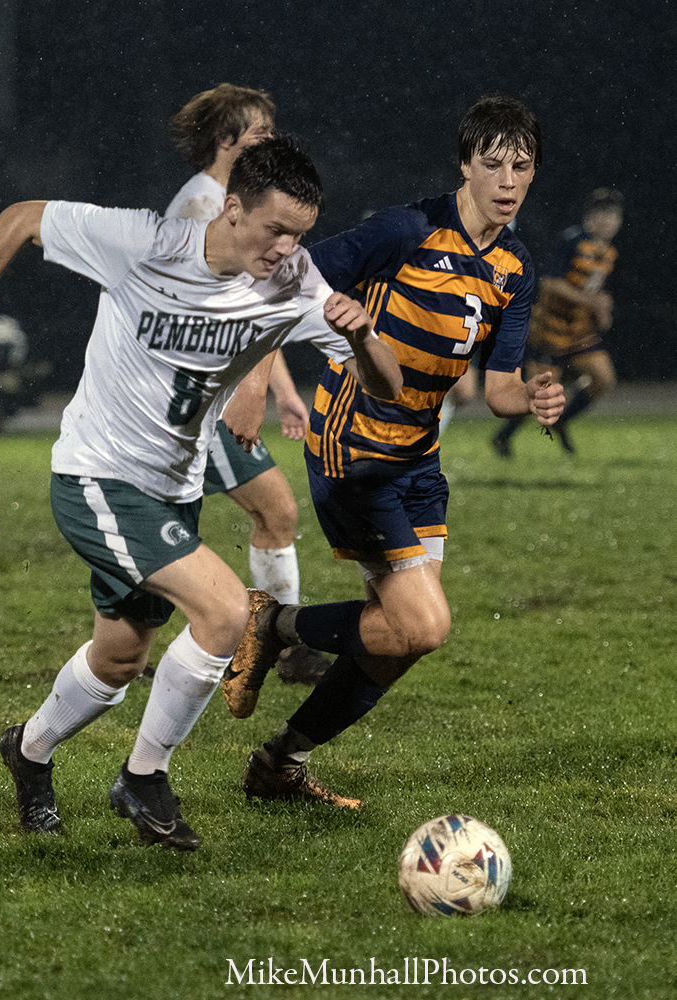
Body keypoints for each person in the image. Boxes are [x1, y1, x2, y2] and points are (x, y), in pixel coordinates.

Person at [0, 136, 404, 849]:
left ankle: (29, 750)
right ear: (232, 208)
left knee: (118, 658)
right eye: (275, 229)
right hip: (97, 476)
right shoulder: (145, 242)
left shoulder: (295, 280)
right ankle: (143, 778)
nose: (288, 248)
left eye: (300, 234)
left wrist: (362, 338)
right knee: (225, 612)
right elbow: (20, 217)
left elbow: (386, 387)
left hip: (173, 490)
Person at [225, 96, 566, 810]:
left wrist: (532, 396)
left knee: (403, 639)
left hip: (418, 456)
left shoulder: (514, 266)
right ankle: (273, 624)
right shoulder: (405, 230)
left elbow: (498, 386)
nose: (508, 181)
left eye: (522, 166)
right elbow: (285, 281)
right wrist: (255, 382)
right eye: (493, 164)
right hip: (355, 447)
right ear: (465, 165)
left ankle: (280, 762)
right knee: (423, 626)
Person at [167, 83, 329, 686]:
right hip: (196, 401)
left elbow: (258, 315)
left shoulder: (237, 203)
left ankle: (271, 645)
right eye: (260, 132)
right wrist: (248, 389)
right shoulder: (203, 206)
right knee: (270, 511)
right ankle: (270, 646)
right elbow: (224, 317)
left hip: (213, 393)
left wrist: (279, 391)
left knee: (265, 514)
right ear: (225, 139)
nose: (270, 140)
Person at [492, 187, 623, 456]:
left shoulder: (609, 251)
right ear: (590, 217)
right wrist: (591, 302)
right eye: (603, 214)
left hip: (579, 330)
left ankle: (564, 420)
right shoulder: (572, 241)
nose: (608, 221)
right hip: (550, 329)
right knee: (540, 395)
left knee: (604, 379)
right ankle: (504, 435)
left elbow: (590, 288)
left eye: (613, 216)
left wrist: (602, 307)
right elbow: (550, 283)